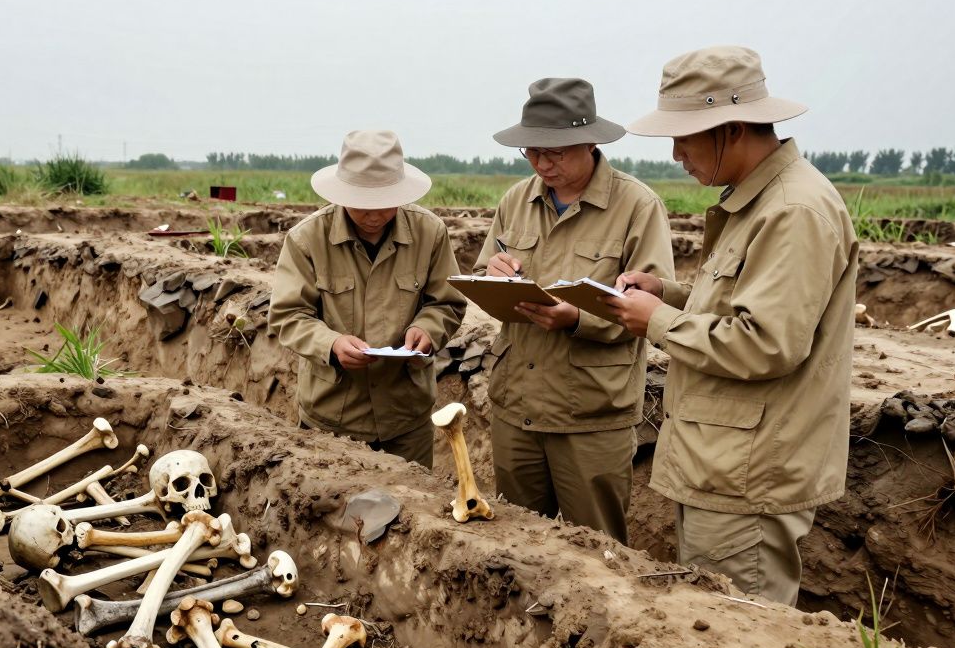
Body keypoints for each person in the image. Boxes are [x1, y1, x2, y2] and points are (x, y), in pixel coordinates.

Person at [606, 46, 858, 605]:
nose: (676, 155)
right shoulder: (761, 201)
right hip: (723, 462)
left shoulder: (793, 210)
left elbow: (766, 343)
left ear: (734, 128)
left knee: (739, 629)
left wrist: (659, 321)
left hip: (748, 475)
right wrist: (668, 293)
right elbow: (742, 305)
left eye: (685, 138)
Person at [472, 78, 674, 543]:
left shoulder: (636, 206)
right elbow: (486, 267)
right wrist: (494, 274)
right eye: (532, 152)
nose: (542, 163)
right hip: (516, 405)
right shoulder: (516, 200)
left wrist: (578, 318)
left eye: (556, 152)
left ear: (590, 142)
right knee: (515, 544)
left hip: (590, 414)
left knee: (596, 551)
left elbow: (651, 305)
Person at [269, 130, 466, 467]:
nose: (374, 215)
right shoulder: (307, 239)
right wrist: (331, 344)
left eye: (385, 203)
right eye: (363, 204)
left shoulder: (429, 233)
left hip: (406, 419)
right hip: (333, 422)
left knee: (411, 514)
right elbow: (289, 315)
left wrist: (428, 330)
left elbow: (447, 302)